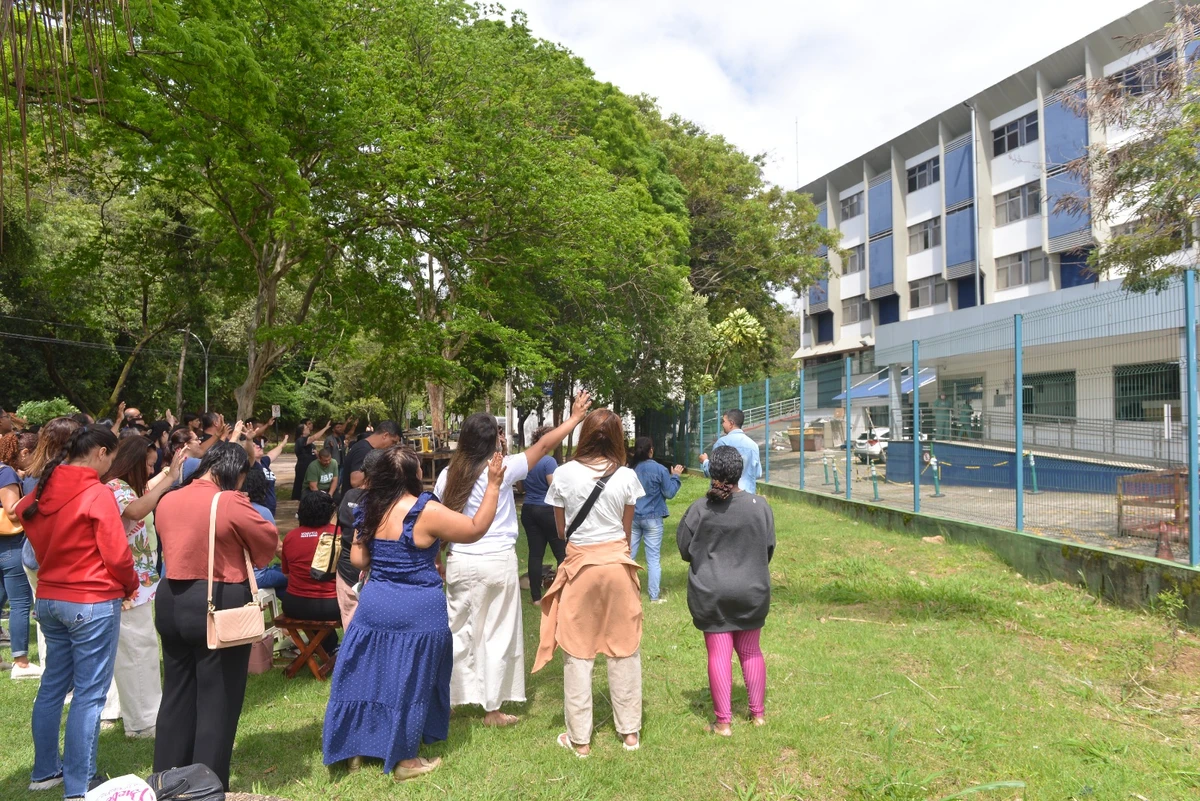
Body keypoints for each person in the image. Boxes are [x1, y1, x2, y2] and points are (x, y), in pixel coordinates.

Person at [324, 446, 505, 780]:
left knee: (370, 675)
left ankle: (356, 750)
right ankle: (405, 761)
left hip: (374, 606)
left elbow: (360, 561)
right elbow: (475, 528)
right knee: (411, 681)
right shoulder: (426, 510)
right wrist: (493, 483)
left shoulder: (369, 507)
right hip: (417, 609)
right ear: (412, 475)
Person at [435, 391, 592, 727]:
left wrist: (438, 558)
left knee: (457, 632)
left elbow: (437, 519)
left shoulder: (447, 476)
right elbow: (544, 446)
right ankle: (492, 710)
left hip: (460, 560)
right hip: (497, 562)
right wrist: (575, 418)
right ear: (494, 439)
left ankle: (447, 703)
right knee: (497, 632)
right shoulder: (501, 469)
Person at [17, 426, 138, 799]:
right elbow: (117, 555)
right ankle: (80, 784)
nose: (111, 465)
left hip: (51, 599)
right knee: (88, 695)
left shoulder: (47, 487)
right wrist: (130, 585)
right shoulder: (96, 492)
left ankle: (44, 772)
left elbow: (22, 510)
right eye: (112, 458)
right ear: (100, 452)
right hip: (91, 600)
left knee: (54, 685)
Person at [151, 443, 279, 790]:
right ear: (235, 473)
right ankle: (205, 786)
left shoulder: (169, 499)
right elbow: (267, 543)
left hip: (170, 599)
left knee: (176, 694)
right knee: (217, 699)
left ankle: (165, 780)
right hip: (216, 599)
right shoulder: (228, 501)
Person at [533, 409, 645, 757]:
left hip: (580, 568)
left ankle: (580, 740)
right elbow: (625, 533)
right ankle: (629, 733)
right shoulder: (626, 476)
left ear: (583, 435)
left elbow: (562, 530)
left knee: (578, 653)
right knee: (624, 648)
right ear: (617, 437)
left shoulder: (563, 474)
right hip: (616, 567)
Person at [676, 446, 775, 736]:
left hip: (711, 592)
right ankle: (758, 716)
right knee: (751, 651)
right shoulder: (760, 506)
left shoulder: (698, 509)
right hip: (752, 590)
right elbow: (768, 548)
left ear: (712, 472)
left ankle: (723, 723)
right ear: (740, 471)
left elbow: (684, 549)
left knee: (719, 654)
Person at [100, 436, 186, 739]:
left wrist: (170, 473)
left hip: (131, 581)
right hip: (129, 583)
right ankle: (145, 721)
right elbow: (136, 510)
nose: (150, 470)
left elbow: (144, 494)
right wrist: (170, 479)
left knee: (122, 651)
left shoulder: (117, 486)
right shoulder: (117, 488)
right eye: (148, 464)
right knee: (140, 649)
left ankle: (115, 710)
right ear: (133, 462)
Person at [279, 491, 341, 647]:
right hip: (330, 604)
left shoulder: (290, 537)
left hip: (294, 605)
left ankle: (326, 647)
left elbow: (286, 573)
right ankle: (331, 649)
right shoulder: (338, 534)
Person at [0, 433, 38, 679]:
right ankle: (21, 662)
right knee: (20, 603)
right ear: (23, 452)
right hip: (10, 543)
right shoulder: (6, 473)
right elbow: (13, 512)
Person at [333, 449, 385, 629]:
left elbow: (339, 523)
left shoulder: (349, 495)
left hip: (347, 567)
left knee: (351, 626)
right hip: (376, 571)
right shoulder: (386, 501)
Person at [629, 436, 683, 604]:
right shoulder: (660, 469)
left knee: (628, 556)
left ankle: (624, 594)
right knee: (653, 559)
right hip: (653, 518)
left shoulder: (630, 470)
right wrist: (675, 476)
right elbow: (669, 493)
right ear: (651, 450)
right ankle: (654, 597)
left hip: (632, 518)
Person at [520, 426, 562, 605]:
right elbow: (555, 488)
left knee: (535, 554)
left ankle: (536, 598)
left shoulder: (526, 459)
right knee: (562, 554)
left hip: (528, 509)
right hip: (547, 510)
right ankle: (563, 593)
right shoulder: (549, 462)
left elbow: (520, 488)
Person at [699, 409, 761, 495]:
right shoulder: (753, 445)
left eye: (723, 421)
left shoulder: (722, 443)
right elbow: (757, 473)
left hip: (725, 496)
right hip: (748, 495)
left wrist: (705, 461)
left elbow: (713, 471)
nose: (722, 424)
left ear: (731, 423)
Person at [342, 421, 402, 491]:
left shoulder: (365, 447)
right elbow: (355, 481)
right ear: (385, 435)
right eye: (393, 442)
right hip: (356, 499)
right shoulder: (363, 450)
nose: (393, 446)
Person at [291, 420, 330, 502]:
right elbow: (314, 437)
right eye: (306, 428)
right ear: (302, 432)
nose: (308, 428)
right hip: (303, 468)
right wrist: (325, 428)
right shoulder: (300, 440)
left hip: (311, 468)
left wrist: (317, 454)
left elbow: (316, 454)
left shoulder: (311, 444)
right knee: (302, 488)